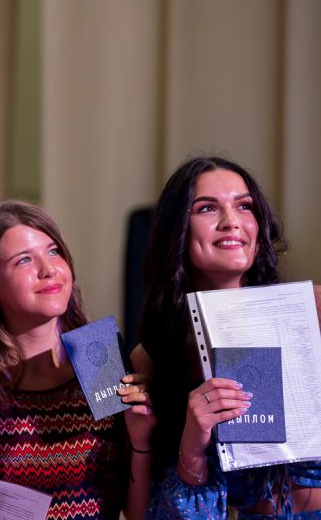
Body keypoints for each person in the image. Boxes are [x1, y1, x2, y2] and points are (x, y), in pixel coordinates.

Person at [136, 156, 321, 518]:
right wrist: (192, 449)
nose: (231, 221)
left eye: (244, 206)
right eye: (207, 208)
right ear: (177, 230)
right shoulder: (153, 357)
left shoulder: (313, 311)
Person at [0, 200, 154, 520]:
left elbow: (138, 513)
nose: (48, 270)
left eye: (54, 252)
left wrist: (141, 440)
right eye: (25, 260)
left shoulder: (98, 357)